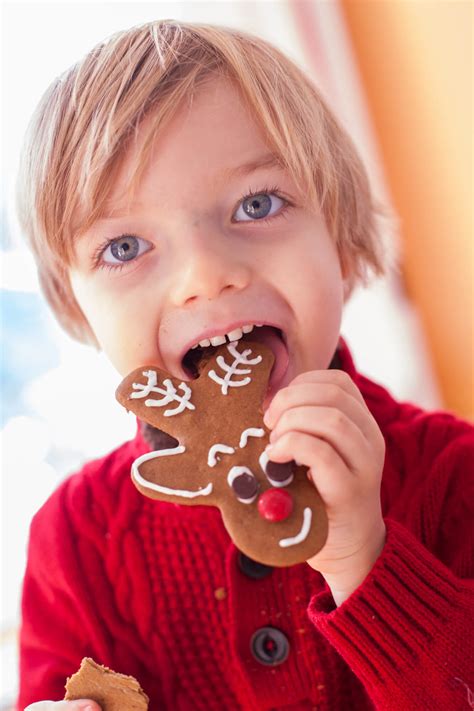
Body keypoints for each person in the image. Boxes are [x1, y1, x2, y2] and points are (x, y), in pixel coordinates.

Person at [16, 19, 473, 711]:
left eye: (256, 205)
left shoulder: (456, 478)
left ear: (345, 244)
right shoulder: (77, 543)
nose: (206, 274)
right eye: (125, 246)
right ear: (76, 308)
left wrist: (366, 563)